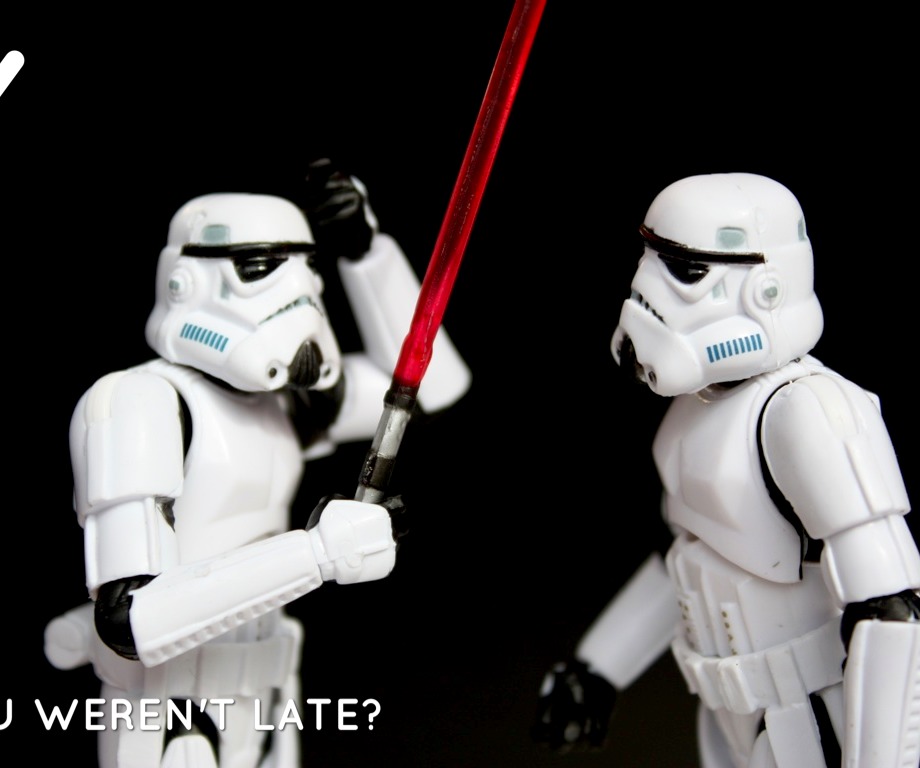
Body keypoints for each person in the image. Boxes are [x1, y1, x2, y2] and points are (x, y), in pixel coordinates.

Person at [45, 161, 470, 768]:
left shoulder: (283, 406)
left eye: (308, 269)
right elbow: (130, 620)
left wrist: (368, 255)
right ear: (186, 280)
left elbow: (431, 387)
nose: (298, 293)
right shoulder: (141, 402)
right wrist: (318, 554)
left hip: (267, 697)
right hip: (171, 711)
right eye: (261, 267)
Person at [534, 173, 919, 768]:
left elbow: (890, 608)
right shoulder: (696, 409)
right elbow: (688, 561)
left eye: (685, 270)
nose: (646, 290)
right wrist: (600, 666)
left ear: (765, 286)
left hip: (811, 718)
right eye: (649, 257)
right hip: (726, 710)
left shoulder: (807, 410)